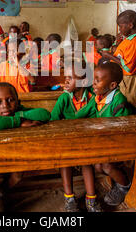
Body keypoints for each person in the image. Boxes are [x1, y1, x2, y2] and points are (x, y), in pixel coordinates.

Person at [0, 83, 51, 211]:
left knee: (17, 175)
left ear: (18, 101)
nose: (5, 105)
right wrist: (19, 121)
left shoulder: (18, 109)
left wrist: (19, 114)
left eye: (10, 100)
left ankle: (0, 192)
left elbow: (44, 114)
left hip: (14, 154)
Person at [50, 61, 102, 212]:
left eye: (70, 78)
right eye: (65, 77)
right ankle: (69, 198)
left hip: (86, 142)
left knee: (87, 162)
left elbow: (99, 119)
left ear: (84, 82)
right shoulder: (64, 99)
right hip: (66, 142)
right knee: (65, 162)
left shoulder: (94, 98)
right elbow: (53, 120)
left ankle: (91, 199)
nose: (66, 81)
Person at [87, 61, 132, 208]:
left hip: (121, 142)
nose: (93, 83)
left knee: (105, 165)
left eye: (97, 80)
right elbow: (87, 112)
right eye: (94, 79)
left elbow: (123, 130)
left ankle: (124, 185)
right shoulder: (99, 97)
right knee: (98, 166)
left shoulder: (119, 101)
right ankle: (117, 177)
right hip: (106, 140)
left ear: (112, 85)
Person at [101, 10, 136, 108]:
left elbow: (128, 66)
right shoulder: (130, 39)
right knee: (120, 102)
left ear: (130, 25)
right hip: (122, 76)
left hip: (127, 79)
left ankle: (128, 121)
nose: (120, 29)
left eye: (121, 26)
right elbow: (124, 55)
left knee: (127, 103)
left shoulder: (134, 41)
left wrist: (109, 56)